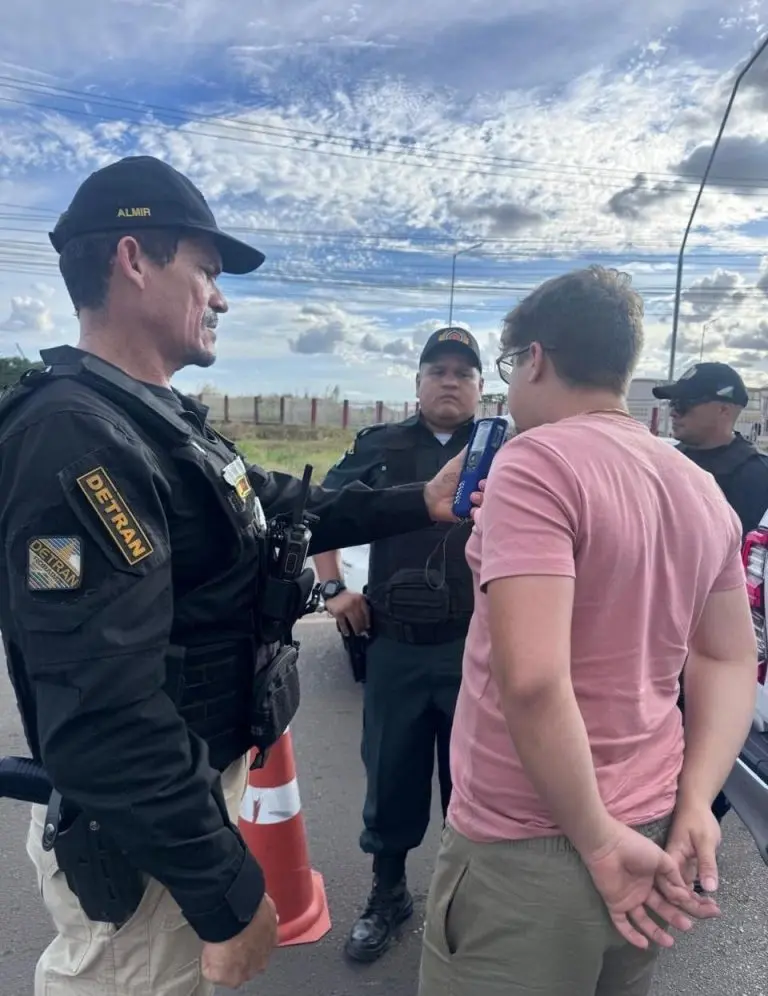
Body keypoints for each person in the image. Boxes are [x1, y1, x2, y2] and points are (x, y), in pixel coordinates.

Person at [0, 155, 479, 996]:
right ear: (133, 260)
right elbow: (105, 717)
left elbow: (277, 507)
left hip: (177, 801)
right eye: (208, 271)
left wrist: (422, 501)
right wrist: (225, 889)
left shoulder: (155, 420)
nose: (221, 297)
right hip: (143, 831)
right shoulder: (78, 439)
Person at [418, 265, 757, 996]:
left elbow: (535, 682)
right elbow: (730, 656)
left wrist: (597, 842)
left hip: (531, 840)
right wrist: (697, 798)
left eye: (510, 367)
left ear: (535, 358)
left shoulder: (535, 462)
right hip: (657, 821)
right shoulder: (697, 486)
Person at [313, 326, 485, 964]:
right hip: (395, 647)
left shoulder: (510, 449)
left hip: (477, 650)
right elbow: (321, 512)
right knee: (391, 773)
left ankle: (470, 901)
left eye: (462, 373)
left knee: (476, 784)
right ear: (416, 383)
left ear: (479, 387)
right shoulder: (379, 446)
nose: (449, 380)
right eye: (436, 370)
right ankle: (389, 895)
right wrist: (333, 587)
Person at [652, 361, 768, 826]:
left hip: (720, 650)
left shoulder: (760, 479)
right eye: (672, 400)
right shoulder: (656, 465)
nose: (674, 409)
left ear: (726, 408)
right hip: (650, 643)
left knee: (710, 771)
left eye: (687, 401)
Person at [653, 361, 768, 538]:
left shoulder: (757, 476)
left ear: (723, 410)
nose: (673, 412)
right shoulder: (665, 460)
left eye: (684, 403)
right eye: (672, 403)